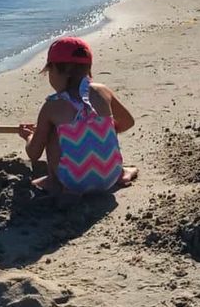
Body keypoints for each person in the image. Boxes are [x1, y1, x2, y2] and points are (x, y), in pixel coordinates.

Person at [17, 36, 138, 193]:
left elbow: (34, 153)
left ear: (55, 70)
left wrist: (29, 136)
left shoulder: (51, 106)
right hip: (111, 176)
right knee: (104, 124)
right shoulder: (102, 91)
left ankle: (54, 180)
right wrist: (100, 127)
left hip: (72, 182)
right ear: (88, 68)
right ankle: (122, 172)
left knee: (53, 131)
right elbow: (128, 122)